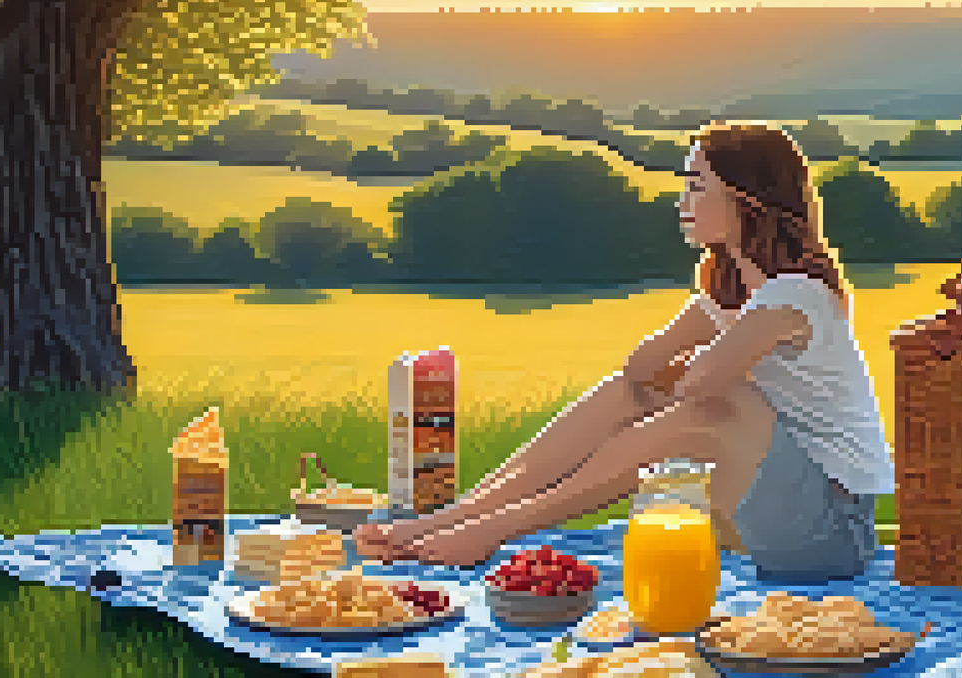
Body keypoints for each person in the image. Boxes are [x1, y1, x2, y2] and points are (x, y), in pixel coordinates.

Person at [355, 121, 895, 581]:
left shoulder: (795, 295)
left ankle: (492, 531)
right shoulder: (730, 295)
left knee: (714, 410)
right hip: (762, 517)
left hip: (829, 535)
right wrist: (689, 354)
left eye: (697, 186)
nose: (682, 201)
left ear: (746, 199)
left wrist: (696, 372)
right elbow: (641, 368)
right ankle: (450, 520)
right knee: (627, 392)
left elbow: (702, 389)